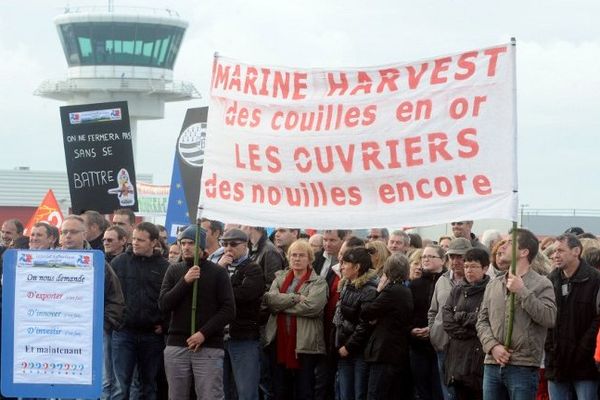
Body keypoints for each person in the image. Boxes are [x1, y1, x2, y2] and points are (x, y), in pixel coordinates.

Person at [476, 228, 557, 400]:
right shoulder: (493, 284)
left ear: (524, 252)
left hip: (523, 366)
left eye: (510, 242)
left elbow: (549, 318)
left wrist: (522, 291)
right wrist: (492, 346)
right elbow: (481, 321)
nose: (502, 246)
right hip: (492, 363)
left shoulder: (543, 284)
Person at [159, 224, 235, 399]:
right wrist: (185, 282)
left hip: (208, 346)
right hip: (177, 343)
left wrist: (203, 333)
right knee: (177, 395)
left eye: (191, 243)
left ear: (201, 246)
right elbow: (163, 304)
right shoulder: (174, 270)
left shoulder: (217, 272)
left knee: (210, 395)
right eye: (182, 242)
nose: (185, 247)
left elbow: (228, 310)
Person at [60, 215, 125, 400]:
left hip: (91, 335)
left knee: (98, 382)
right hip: (56, 334)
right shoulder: (48, 262)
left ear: (84, 234)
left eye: (73, 232)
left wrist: (103, 325)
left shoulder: (98, 264)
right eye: (64, 232)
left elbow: (116, 299)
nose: (68, 236)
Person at [110, 222, 170, 400]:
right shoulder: (119, 262)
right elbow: (108, 294)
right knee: (120, 385)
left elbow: (171, 299)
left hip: (152, 335)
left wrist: (164, 324)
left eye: (141, 240)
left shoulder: (164, 266)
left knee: (148, 385)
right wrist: (114, 320)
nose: (135, 243)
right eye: (134, 239)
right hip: (123, 333)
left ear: (153, 242)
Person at [263, 239, 328, 400]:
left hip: (305, 346)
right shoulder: (279, 277)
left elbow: (312, 307)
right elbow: (270, 301)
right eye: (293, 255)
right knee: (279, 391)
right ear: (288, 257)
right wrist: (295, 298)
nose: (297, 259)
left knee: (304, 391)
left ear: (310, 258)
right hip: (278, 342)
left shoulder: (318, 282)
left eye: (301, 255)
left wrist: (282, 304)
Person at [545, 234, 600, 399]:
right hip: (556, 362)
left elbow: (598, 319)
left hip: (585, 364)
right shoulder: (550, 280)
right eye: (554, 251)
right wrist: (549, 348)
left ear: (576, 251)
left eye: (561, 250)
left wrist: (583, 349)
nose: (555, 255)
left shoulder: (595, 280)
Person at [215, 229, 265, 400]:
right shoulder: (219, 266)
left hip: (244, 338)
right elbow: (207, 292)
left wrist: (221, 288)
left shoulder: (253, 268)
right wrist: (219, 269)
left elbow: (245, 295)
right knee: (222, 391)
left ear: (245, 245)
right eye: (225, 244)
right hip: (219, 338)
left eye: (234, 244)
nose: (228, 248)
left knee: (246, 392)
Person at [362, 253, 414, 400]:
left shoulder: (391, 291)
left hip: (384, 351)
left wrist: (378, 290)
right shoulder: (405, 290)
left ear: (387, 270)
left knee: (376, 394)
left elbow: (366, 312)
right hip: (397, 350)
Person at [442, 248, 491, 400]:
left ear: (485, 268)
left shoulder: (491, 290)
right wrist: (467, 330)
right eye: (467, 266)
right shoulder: (457, 290)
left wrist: (461, 317)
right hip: (456, 356)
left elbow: (484, 319)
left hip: (477, 357)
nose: (469, 271)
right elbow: (447, 319)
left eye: (474, 266)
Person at [428, 239, 472, 400]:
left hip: (467, 347)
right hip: (442, 345)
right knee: (447, 392)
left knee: (464, 391)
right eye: (451, 257)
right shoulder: (443, 279)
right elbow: (433, 310)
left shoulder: (478, 281)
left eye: (459, 257)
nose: (455, 261)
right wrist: (434, 332)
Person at [334, 247, 378, 400]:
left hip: (359, 352)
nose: (342, 267)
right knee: (345, 393)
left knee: (359, 394)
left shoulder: (369, 290)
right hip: (344, 348)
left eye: (345, 263)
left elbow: (365, 325)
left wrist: (349, 347)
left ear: (357, 267)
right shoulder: (347, 285)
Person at [409, 244, 446, 400]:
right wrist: (411, 330)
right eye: (424, 256)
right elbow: (406, 313)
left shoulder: (447, 283)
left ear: (443, 260)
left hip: (441, 344)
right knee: (422, 389)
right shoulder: (414, 284)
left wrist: (433, 330)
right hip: (417, 344)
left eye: (431, 256)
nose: (425, 259)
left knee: (440, 389)